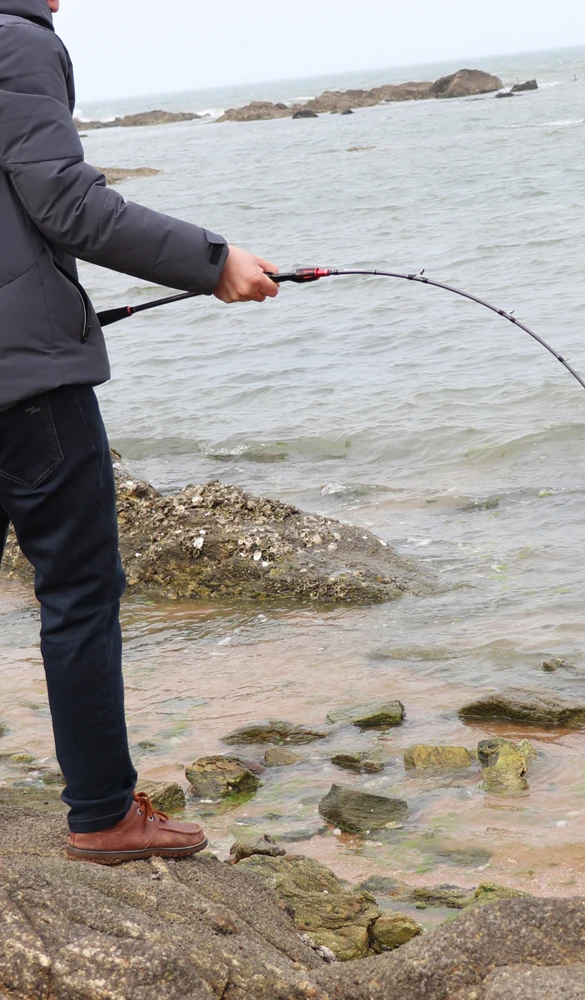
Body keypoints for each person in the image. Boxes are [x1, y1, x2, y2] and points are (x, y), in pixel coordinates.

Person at [0, 0, 278, 863]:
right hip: (27, 385)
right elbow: (66, 202)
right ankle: (102, 815)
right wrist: (212, 262)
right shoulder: (15, 41)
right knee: (79, 592)